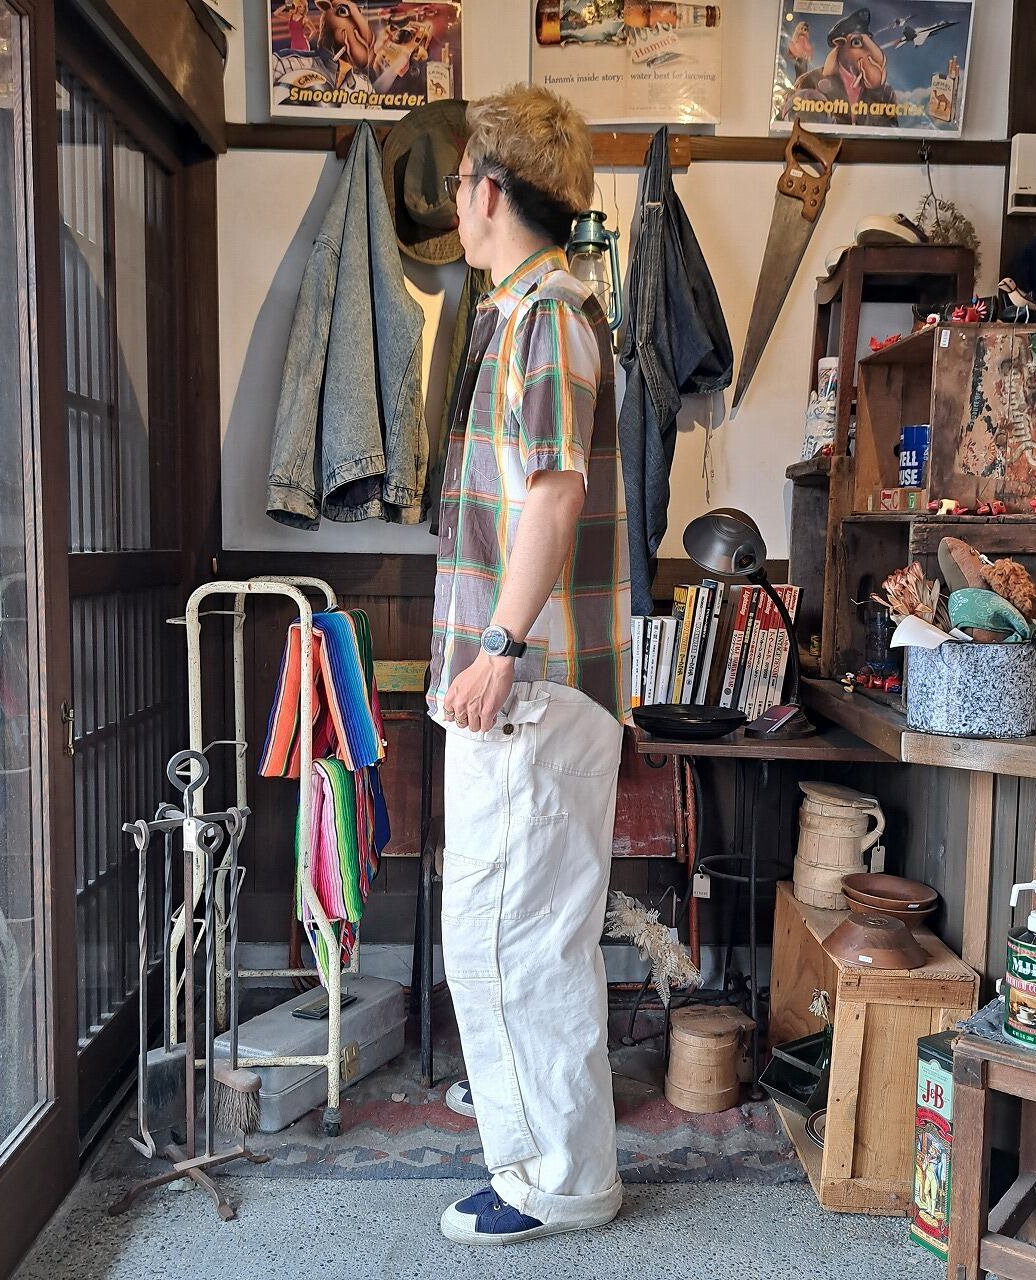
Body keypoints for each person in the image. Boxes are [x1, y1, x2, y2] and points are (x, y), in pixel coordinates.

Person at [426, 84, 631, 1246]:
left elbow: (552, 498)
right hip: (529, 685)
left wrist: (498, 648)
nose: (456, 200)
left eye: (461, 181)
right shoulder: (527, 315)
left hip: (528, 684)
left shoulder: (546, 318)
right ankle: (550, 1158)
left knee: (510, 934)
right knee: (518, 929)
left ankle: (555, 1180)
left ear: (491, 191)